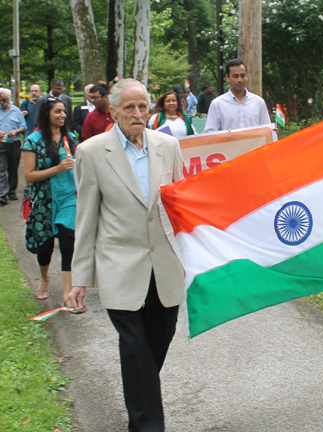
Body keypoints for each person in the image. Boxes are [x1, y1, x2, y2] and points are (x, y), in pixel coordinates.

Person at [68, 78, 185, 431]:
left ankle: (142, 400)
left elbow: (180, 208)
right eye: (129, 108)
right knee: (134, 345)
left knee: (157, 342)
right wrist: (80, 279)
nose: (137, 114)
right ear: (113, 110)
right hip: (120, 265)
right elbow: (86, 218)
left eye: (143, 107)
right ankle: (147, 425)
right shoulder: (91, 152)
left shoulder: (169, 145)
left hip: (164, 264)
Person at [21, 97, 82, 309]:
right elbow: (29, 176)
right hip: (44, 200)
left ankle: (67, 294)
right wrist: (58, 168)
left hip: (69, 198)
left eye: (64, 111)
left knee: (68, 243)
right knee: (45, 248)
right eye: (57, 111)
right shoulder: (32, 141)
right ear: (46, 113)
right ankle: (45, 279)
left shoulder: (71, 138)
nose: (63, 115)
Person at [204, 59, 271, 132]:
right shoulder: (217, 104)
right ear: (227, 77)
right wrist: (221, 134)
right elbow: (209, 132)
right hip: (228, 143)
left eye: (242, 76)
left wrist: (272, 132)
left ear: (246, 76)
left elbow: (266, 130)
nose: (240, 80)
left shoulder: (258, 102)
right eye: (235, 76)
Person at [0, 88, 27, 205]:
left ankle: (12, 191)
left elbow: (23, 127)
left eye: (4, 100)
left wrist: (16, 131)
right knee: (1, 168)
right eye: (0, 100)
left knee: (13, 167)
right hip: (1, 143)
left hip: (14, 143)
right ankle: (2, 194)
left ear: (8, 99)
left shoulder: (16, 111)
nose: (1, 102)